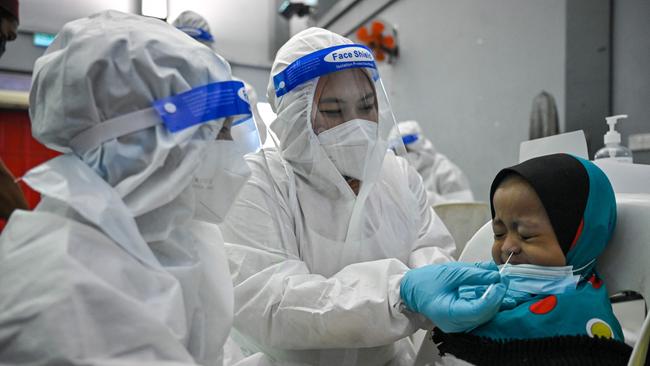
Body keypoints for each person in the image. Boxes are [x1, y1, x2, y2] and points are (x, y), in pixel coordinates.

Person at [0, 10, 261, 365]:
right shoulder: (68, 293)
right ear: (152, 143)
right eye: (219, 131)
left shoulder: (161, 234)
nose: (236, 154)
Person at [219, 27, 460, 365]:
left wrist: (437, 283)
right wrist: (400, 293)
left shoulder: (397, 176)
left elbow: (430, 249)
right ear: (292, 116)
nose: (358, 125)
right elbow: (274, 304)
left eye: (367, 106)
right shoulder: (259, 183)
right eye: (333, 111)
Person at [431, 154, 632, 365]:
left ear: (578, 238)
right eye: (498, 233)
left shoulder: (587, 335)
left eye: (526, 235)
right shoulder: (480, 299)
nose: (508, 247)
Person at [397, 120, 473, 205]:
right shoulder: (400, 175)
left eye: (407, 149)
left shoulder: (445, 171)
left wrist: (428, 199)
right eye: (398, 151)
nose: (405, 154)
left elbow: (465, 211)